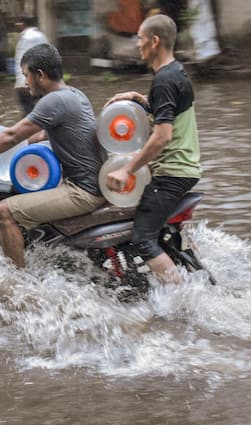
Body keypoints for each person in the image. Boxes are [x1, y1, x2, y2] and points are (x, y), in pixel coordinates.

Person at [0, 44, 106, 268]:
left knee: (4, 211)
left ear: (40, 75)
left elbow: (11, 136)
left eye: (26, 75)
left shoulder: (53, 101)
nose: (25, 82)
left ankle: (16, 281)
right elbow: (36, 135)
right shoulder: (74, 94)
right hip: (90, 182)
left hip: (82, 190)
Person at [104, 14, 202, 285]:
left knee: (143, 240)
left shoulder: (164, 80)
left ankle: (184, 302)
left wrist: (127, 169)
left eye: (140, 38)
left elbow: (162, 136)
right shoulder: (176, 72)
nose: (137, 44)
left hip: (171, 173)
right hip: (186, 169)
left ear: (154, 41)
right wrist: (137, 98)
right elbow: (167, 108)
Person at [13, 17, 48, 116]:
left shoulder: (26, 38)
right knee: (42, 114)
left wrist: (21, 83)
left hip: (28, 84)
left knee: (29, 117)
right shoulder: (42, 36)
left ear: (22, 24)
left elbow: (22, 61)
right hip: (42, 82)